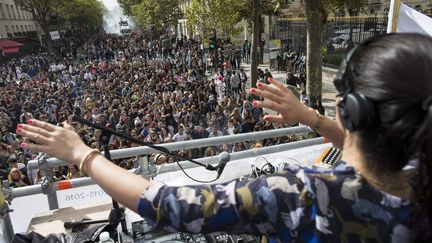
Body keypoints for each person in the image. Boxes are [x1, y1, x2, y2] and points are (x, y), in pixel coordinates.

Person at [14, 34, 432, 242]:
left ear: (353, 111)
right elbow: (372, 145)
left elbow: (166, 205)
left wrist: (82, 154)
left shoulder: (302, 194)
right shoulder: (418, 176)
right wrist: (311, 119)